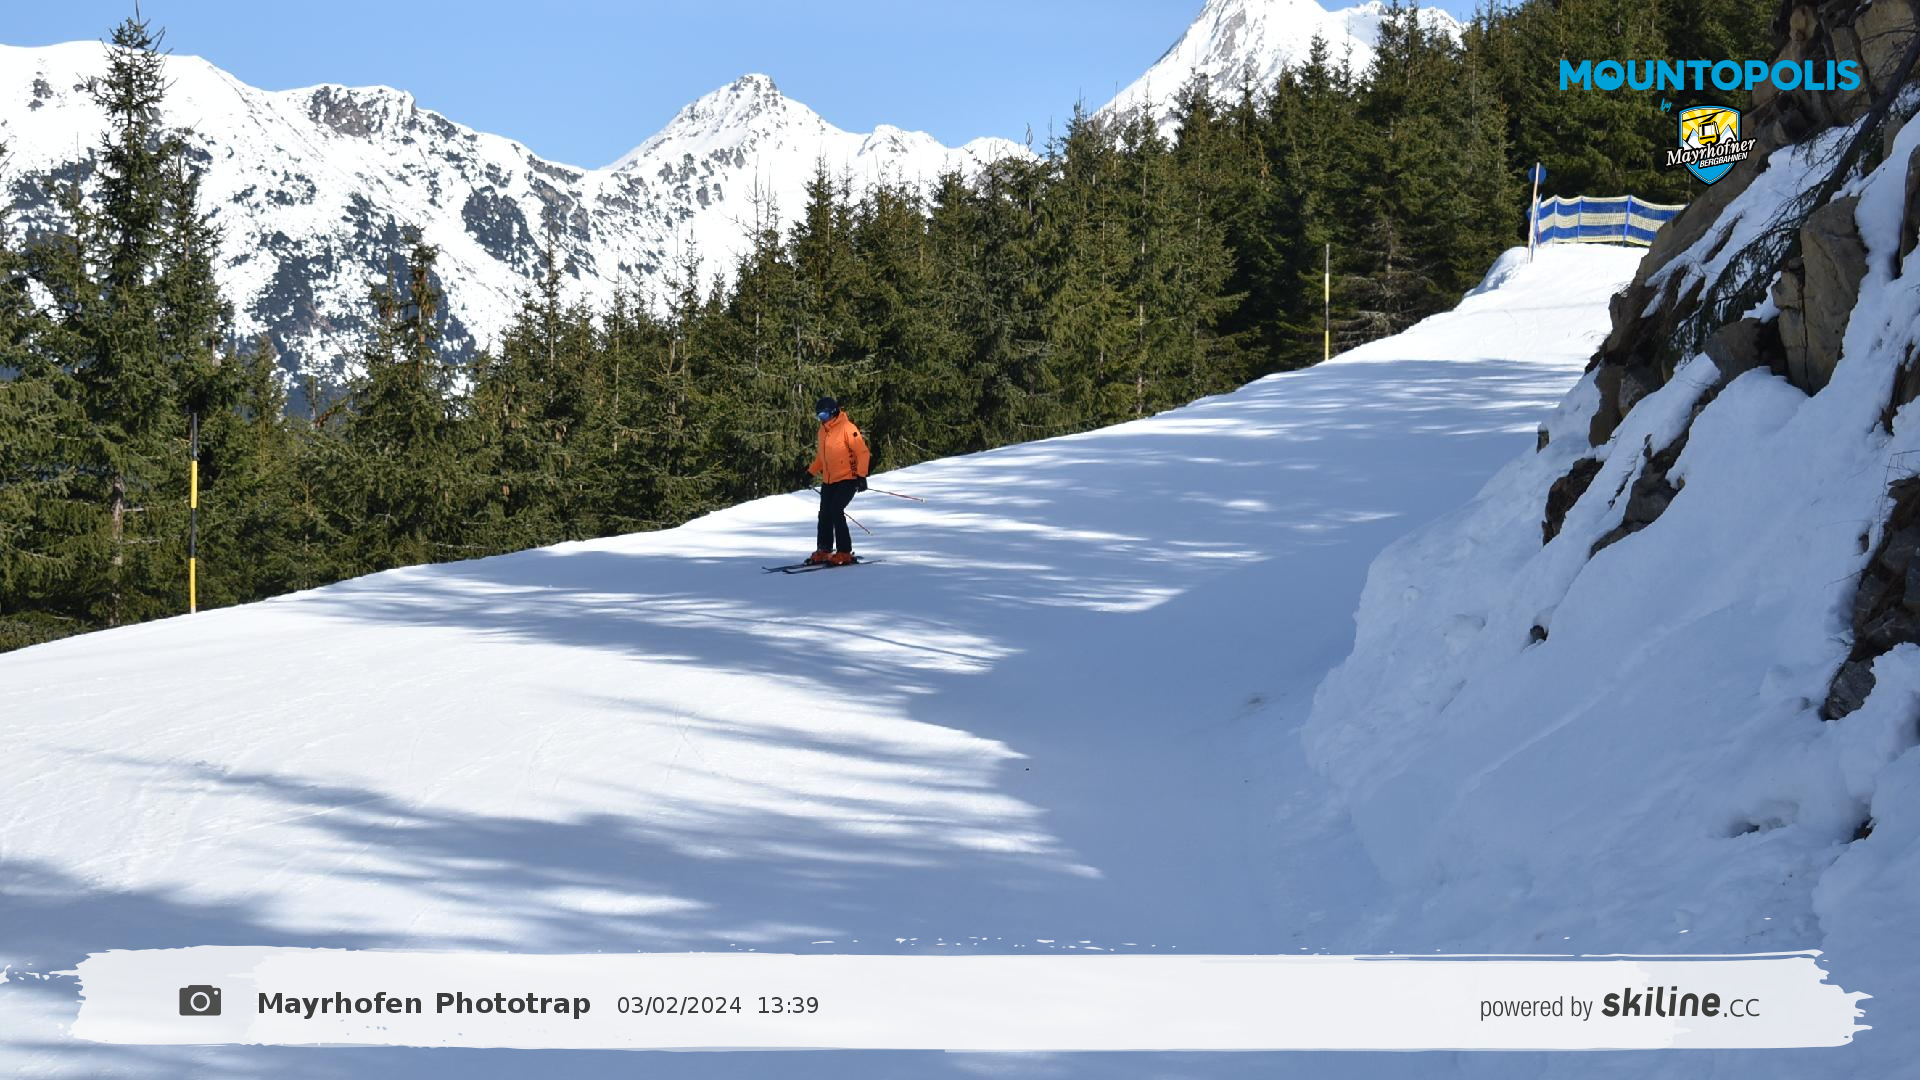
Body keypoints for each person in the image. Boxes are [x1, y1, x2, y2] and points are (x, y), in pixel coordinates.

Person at [806, 395, 870, 565]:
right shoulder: (822, 431)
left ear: (833, 412)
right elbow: (822, 458)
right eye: (819, 416)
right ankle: (824, 550)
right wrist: (810, 473)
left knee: (836, 509)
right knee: (824, 513)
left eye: (824, 415)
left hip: (848, 479)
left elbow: (862, 452)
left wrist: (861, 476)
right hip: (829, 480)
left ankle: (844, 552)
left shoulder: (847, 428)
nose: (821, 419)